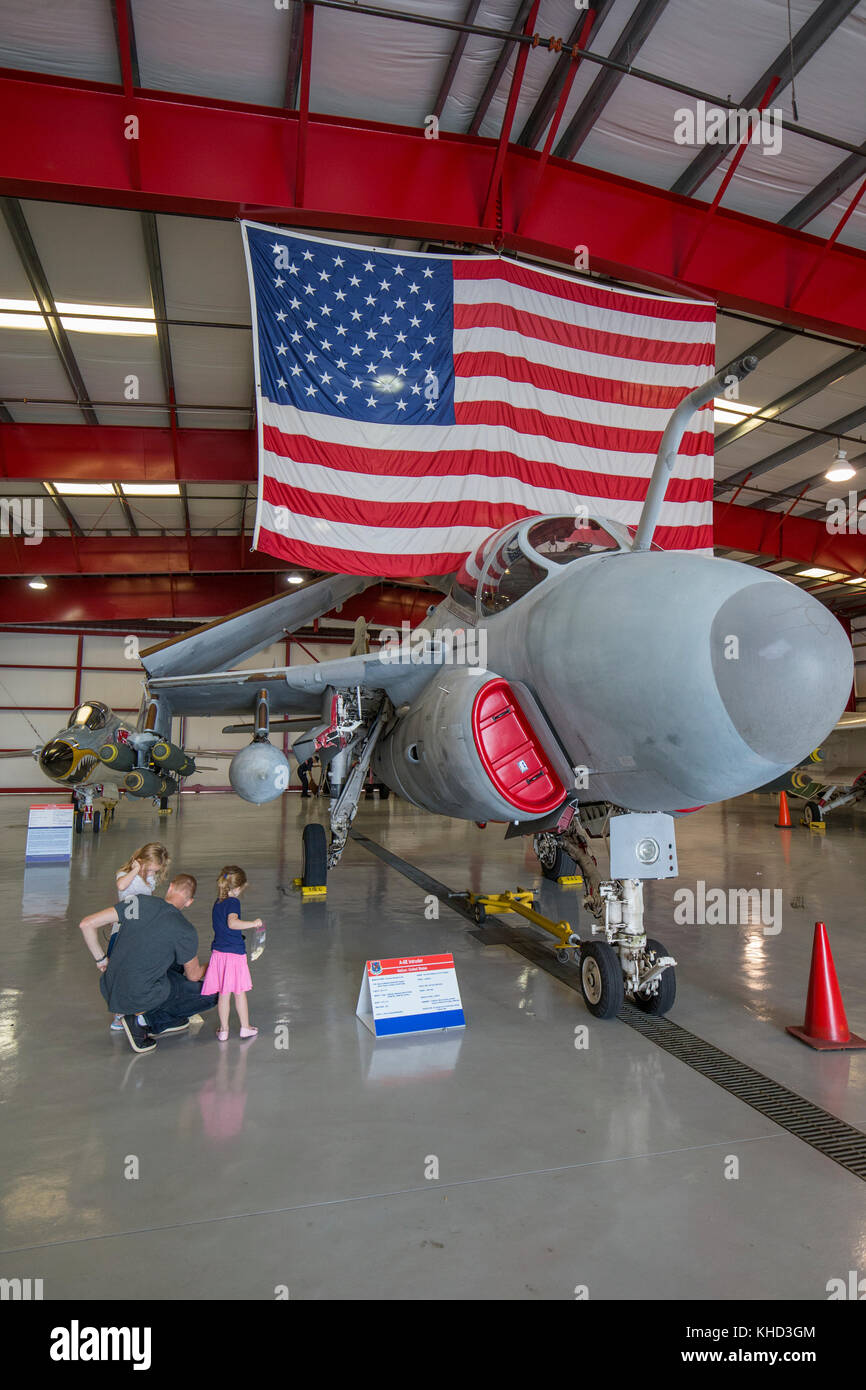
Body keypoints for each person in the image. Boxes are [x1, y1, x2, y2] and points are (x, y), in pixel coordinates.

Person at [79, 873, 217, 1054]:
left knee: (173, 960)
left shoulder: (138, 902)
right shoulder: (185, 930)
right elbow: (194, 975)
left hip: (111, 986)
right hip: (139, 994)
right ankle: (142, 1020)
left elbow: (86, 924)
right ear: (190, 902)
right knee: (213, 994)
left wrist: (101, 959)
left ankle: (147, 1015)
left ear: (170, 888)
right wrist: (216, 962)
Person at [107, 842, 170, 1031]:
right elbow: (121, 885)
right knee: (119, 970)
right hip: (123, 930)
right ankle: (118, 1015)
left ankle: (139, 1012)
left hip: (140, 930)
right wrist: (135, 870)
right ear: (141, 861)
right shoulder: (124, 874)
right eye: (149, 868)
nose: (152, 873)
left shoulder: (149, 879)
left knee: (140, 970)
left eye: (155, 870)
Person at [200, 866, 261, 1041]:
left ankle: (224, 1030)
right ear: (237, 888)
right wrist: (253, 923)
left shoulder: (218, 902)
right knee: (239, 992)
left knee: (224, 993)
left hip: (219, 953)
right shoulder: (233, 902)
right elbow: (232, 923)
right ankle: (245, 1027)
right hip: (234, 953)